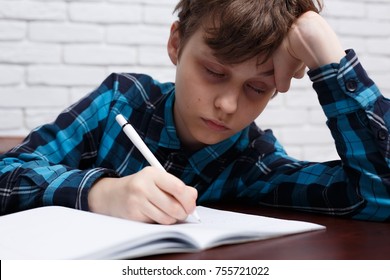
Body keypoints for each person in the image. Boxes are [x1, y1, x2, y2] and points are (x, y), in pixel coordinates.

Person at [0, 0, 389, 224]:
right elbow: (6, 175)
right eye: (213, 72)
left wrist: (327, 57)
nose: (227, 105)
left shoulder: (254, 162)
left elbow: (379, 195)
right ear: (176, 44)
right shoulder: (120, 101)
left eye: (257, 88)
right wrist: (101, 193)